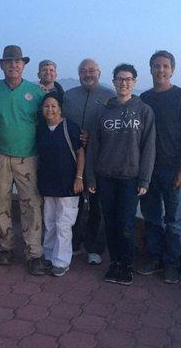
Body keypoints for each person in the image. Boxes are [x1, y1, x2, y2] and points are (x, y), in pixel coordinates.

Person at [87, 64, 155, 285]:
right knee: (110, 223)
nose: (123, 83)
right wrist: (91, 177)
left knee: (125, 224)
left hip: (130, 177)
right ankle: (114, 263)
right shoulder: (102, 111)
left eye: (128, 79)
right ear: (114, 82)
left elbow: (148, 147)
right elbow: (93, 147)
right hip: (105, 176)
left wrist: (144, 178)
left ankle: (126, 265)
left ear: (134, 82)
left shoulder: (144, 111)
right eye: (119, 79)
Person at [138, 50, 181, 284]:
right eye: (156, 66)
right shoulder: (143, 98)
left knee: (174, 220)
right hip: (148, 170)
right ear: (150, 69)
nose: (160, 70)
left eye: (165, 66)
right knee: (152, 218)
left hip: (173, 169)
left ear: (172, 70)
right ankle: (155, 259)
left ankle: (171, 264)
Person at [0, 45, 46, 275]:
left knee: (31, 205)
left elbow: (50, 120)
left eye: (18, 62)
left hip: (29, 156)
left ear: (24, 65)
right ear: (2, 65)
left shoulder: (37, 92)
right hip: (1, 156)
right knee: (0, 203)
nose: (13, 65)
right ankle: (5, 247)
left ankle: (34, 253)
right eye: (9, 61)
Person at [63, 59, 114, 265]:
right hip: (71, 157)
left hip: (99, 158)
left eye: (92, 70)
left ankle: (94, 247)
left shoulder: (110, 96)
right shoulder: (68, 96)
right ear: (78, 73)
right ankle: (73, 243)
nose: (87, 73)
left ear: (99, 73)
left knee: (97, 205)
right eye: (83, 70)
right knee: (72, 202)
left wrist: (91, 136)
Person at [37, 92, 85, 276]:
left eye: (53, 106)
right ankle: (48, 256)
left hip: (68, 185)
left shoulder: (70, 127)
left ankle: (62, 260)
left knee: (64, 224)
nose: (50, 109)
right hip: (47, 183)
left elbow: (80, 153)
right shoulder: (41, 129)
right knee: (49, 223)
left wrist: (79, 177)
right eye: (46, 106)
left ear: (60, 108)